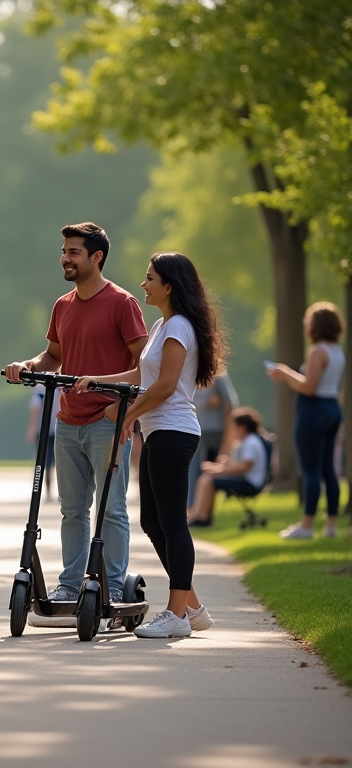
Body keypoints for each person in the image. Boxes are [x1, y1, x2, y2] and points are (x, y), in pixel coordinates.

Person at [75, 251, 226, 638]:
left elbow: (164, 387)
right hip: (158, 431)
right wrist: (99, 381)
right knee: (151, 521)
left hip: (174, 431)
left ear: (169, 286)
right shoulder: (163, 326)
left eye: (150, 278)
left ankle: (176, 615)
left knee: (173, 522)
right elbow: (143, 373)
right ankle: (192, 607)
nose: (143, 284)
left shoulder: (179, 328)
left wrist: (124, 415)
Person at [5, 222, 147, 627]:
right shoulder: (63, 305)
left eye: (73, 252)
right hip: (68, 420)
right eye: (64, 252)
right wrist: (28, 366)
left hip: (108, 419)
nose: (65, 258)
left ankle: (114, 587)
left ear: (96, 257)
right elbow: (53, 355)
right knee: (72, 510)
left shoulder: (122, 303)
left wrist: (119, 406)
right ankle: (70, 584)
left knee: (112, 509)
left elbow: (144, 365)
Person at [267, 301, 346, 539]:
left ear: (315, 326)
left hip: (313, 410)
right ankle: (331, 524)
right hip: (332, 407)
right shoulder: (337, 351)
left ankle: (307, 526)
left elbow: (309, 387)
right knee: (328, 470)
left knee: (310, 470)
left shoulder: (316, 351)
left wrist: (285, 373)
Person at [188, 407, 270, 527]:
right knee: (207, 478)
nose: (232, 430)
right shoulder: (247, 441)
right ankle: (199, 515)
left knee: (208, 480)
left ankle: (201, 517)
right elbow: (241, 464)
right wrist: (220, 466)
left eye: (234, 426)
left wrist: (219, 470)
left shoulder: (251, 442)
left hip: (250, 483)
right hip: (246, 480)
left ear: (242, 427)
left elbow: (244, 467)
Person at [187, 371, 238, 507]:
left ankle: (196, 510)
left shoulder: (217, 375)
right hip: (193, 429)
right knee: (194, 471)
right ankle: (194, 509)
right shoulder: (187, 372)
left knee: (201, 471)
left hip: (212, 432)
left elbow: (229, 404)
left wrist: (228, 435)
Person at [26, 385, 61, 498]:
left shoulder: (40, 388)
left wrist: (31, 429)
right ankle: (53, 491)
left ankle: (47, 491)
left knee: (45, 462)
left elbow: (35, 408)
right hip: (58, 428)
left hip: (45, 429)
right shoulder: (63, 386)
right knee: (57, 462)